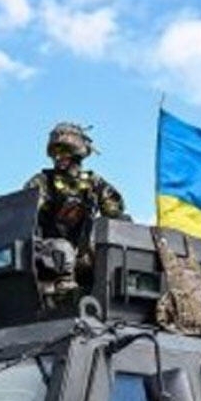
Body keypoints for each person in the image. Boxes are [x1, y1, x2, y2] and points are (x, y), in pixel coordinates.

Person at [24, 122, 126, 300]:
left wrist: (100, 198)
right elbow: (23, 212)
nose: (58, 157)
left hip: (83, 251)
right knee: (62, 249)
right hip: (48, 249)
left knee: (110, 246)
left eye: (63, 151)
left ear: (77, 153)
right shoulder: (43, 181)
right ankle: (65, 295)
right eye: (55, 152)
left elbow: (115, 210)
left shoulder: (92, 182)